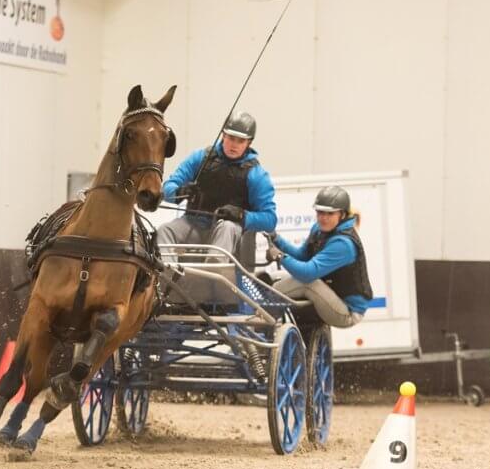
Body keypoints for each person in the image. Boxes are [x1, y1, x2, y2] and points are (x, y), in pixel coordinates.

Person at [156, 111, 276, 258]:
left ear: (249, 142)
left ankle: (214, 274)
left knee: (227, 227)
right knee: (164, 230)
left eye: (241, 141)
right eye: (231, 138)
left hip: (228, 234)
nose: (234, 145)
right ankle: (166, 274)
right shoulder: (200, 158)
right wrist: (180, 191)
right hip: (193, 226)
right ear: (223, 135)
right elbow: (167, 188)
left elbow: (270, 219)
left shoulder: (257, 175)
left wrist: (241, 215)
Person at [266, 186, 374, 328]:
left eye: (329, 214)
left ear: (342, 214)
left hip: (348, 311)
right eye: (320, 212)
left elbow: (307, 274)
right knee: (274, 276)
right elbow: (302, 256)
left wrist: (280, 256)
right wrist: (276, 239)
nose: (323, 218)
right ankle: (267, 309)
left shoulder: (343, 244)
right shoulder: (319, 229)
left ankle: (263, 310)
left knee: (307, 282)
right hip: (331, 296)